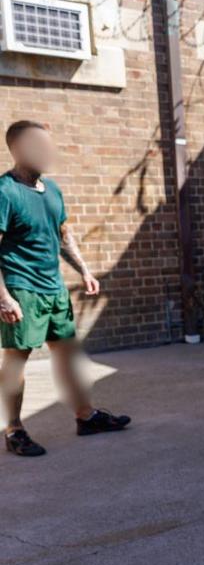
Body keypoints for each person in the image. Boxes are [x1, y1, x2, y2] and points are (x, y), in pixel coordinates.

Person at [0, 121, 130, 457]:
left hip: (54, 289)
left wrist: (84, 269)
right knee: (16, 362)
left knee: (68, 354)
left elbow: (63, 235)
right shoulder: (5, 191)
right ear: (17, 149)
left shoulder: (53, 190)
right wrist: (4, 297)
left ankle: (86, 416)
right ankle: (14, 430)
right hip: (22, 289)